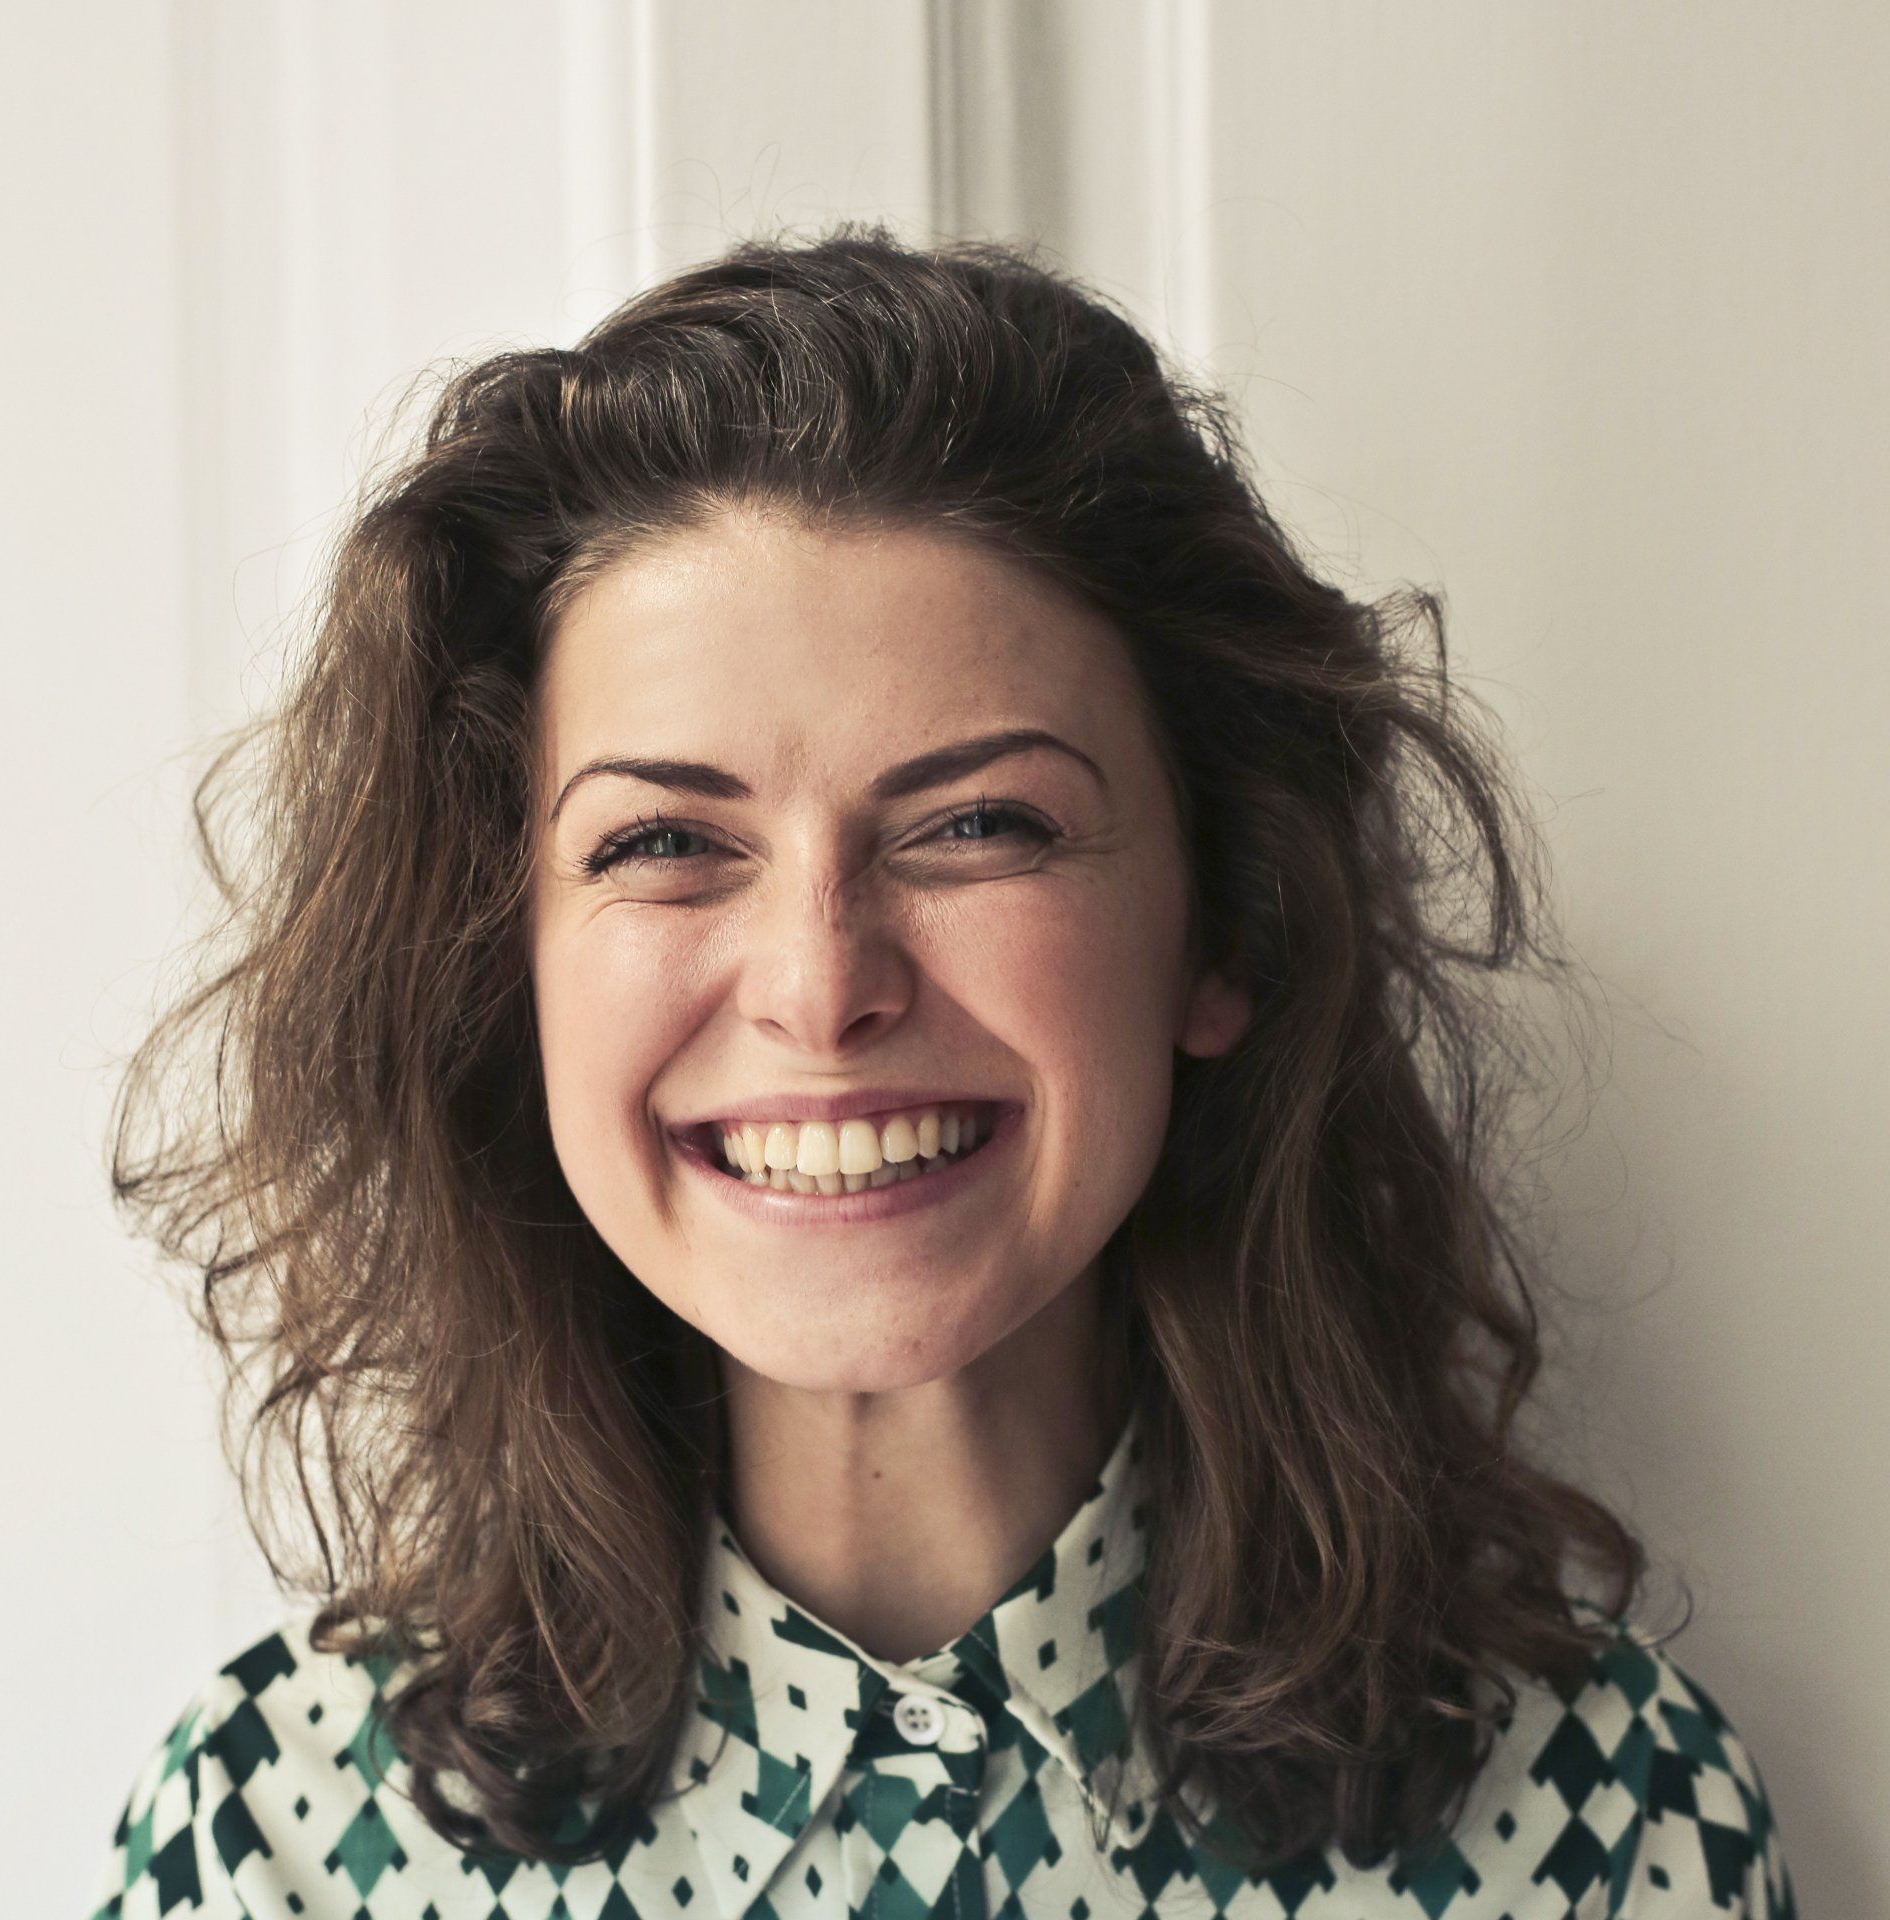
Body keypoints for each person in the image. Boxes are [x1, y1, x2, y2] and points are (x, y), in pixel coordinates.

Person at [89, 224, 1796, 1919]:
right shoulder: (274, 1846)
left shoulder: (1607, 1820)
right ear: (500, 968)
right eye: (669, 839)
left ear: (1227, 933)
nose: (824, 984)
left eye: (981, 824)